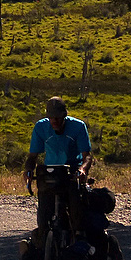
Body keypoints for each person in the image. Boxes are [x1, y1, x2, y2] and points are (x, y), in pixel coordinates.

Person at [23, 96, 92, 248]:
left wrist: (82, 169)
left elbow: (87, 156)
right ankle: (42, 240)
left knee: (75, 205)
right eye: (51, 118)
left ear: (64, 116)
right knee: (44, 213)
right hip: (50, 173)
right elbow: (32, 157)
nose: (54, 121)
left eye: (57, 117)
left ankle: (79, 237)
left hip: (71, 173)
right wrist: (28, 170)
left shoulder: (78, 127)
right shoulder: (41, 127)